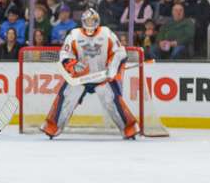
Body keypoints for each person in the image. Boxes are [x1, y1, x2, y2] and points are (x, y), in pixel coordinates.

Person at [41, 8, 139, 140]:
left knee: (111, 100)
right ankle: (52, 126)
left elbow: (119, 53)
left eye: (93, 20)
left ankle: (129, 128)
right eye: (87, 20)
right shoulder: (74, 35)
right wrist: (73, 63)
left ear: (97, 21)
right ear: (82, 21)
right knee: (66, 97)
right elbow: (65, 54)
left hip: (102, 78)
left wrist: (112, 67)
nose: (90, 23)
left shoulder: (106, 33)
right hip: (79, 78)